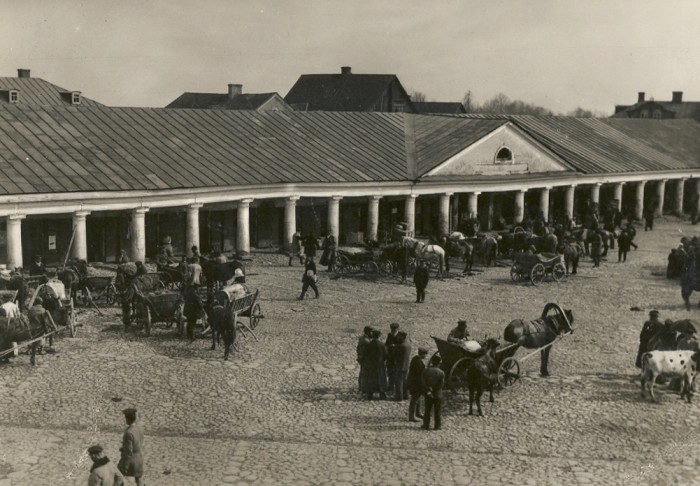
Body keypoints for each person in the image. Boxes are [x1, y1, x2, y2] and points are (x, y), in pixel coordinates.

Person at [118, 408, 145, 486]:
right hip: (139, 457)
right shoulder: (140, 428)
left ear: (127, 419)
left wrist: (125, 465)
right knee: (139, 479)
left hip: (131, 460)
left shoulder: (128, 433)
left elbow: (128, 452)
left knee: (118, 475)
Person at [362, 329, 388, 400]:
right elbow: (386, 354)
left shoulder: (369, 345)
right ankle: (382, 394)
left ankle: (370, 394)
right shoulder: (381, 345)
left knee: (371, 379)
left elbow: (365, 354)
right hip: (380, 365)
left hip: (371, 365)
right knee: (381, 379)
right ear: (379, 336)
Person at [422, 355, 445, 431]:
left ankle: (426, 425)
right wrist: (434, 389)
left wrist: (428, 390)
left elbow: (423, 382)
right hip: (438, 394)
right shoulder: (441, 373)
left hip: (428, 394)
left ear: (432, 362)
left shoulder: (426, 370)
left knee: (427, 410)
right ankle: (437, 426)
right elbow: (441, 385)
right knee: (437, 411)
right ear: (439, 363)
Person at [407, 347, 428, 422]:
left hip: (415, 382)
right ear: (423, 354)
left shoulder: (416, 359)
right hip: (416, 383)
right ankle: (411, 416)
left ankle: (418, 413)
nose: (426, 356)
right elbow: (419, 374)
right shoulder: (418, 362)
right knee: (414, 399)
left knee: (418, 398)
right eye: (425, 355)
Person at [393, 331, 411, 401]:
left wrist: (394, 347)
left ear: (402, 337)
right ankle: (406, 395)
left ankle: (399, 397)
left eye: (399, 336)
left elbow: (395, 354)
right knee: (405, 380)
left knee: (399, 382)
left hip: (400, 365)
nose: (398, 337)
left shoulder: (401, 346)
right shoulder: (408, 344)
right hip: (406, 365)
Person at [356, 326, 373, 391]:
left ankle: (361, 386)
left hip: (362, 357)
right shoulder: (366, 340)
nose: (372, 333)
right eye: (371, 332)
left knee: (362, 372)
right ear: (368, 332)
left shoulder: (363, 338)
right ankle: (363, 387)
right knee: (364, 372)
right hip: (364, 359)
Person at [385, 323, 400, 392]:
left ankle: (395, 387)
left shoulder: (400, 336)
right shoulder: (389, 335)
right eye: (392, 329)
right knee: (390, 372)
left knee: (396, 373)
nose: (393, 330)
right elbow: (386, 344)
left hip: (396, 358)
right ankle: (390, 386)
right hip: (390, 357)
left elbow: (402, 347)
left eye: (394, 329)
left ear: (397, 329)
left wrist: (395, 346)